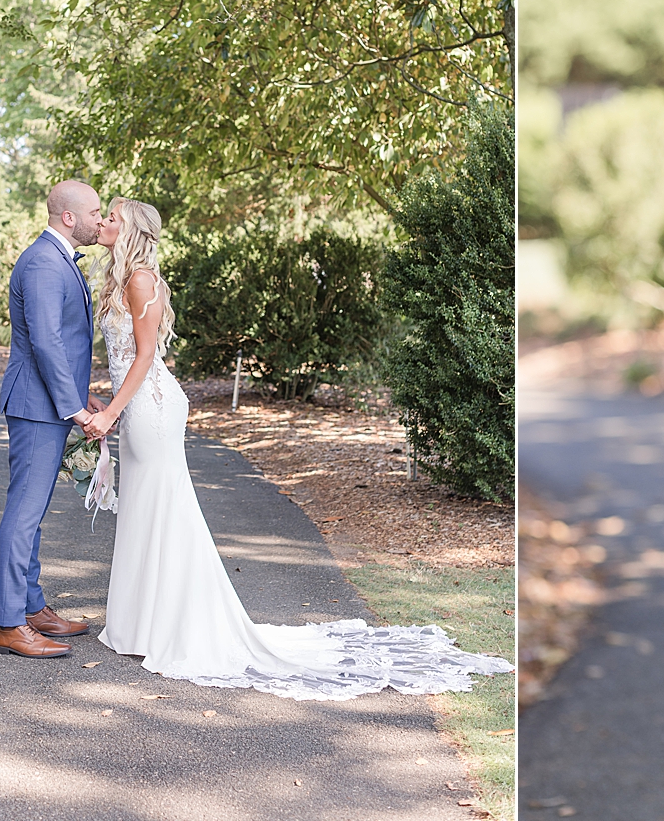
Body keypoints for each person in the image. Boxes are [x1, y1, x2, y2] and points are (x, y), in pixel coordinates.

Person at [80, 197, 513, 699]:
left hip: (149, 409)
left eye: (112, 216)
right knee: (143, 509)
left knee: (162, 510)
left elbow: (148, 354)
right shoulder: (125, 278)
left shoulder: (140, 280)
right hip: (140, 406)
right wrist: (109, 402)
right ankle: (140, 623)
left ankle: (168, 626)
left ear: (131, 228)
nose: (105, 222)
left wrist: (111, 412)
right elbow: (126, 355)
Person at [0, 179, 106, 658]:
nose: (101, 220)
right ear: (68, 218)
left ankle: (33, 608)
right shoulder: (42, 261)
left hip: (49, 403)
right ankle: (7, 624)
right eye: (96, 212)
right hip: (37, 407)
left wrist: (85, 395)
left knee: (32, 515)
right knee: (23, 513)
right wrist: (74, 408)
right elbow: (45, 342)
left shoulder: (58, 259)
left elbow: (66, 341)